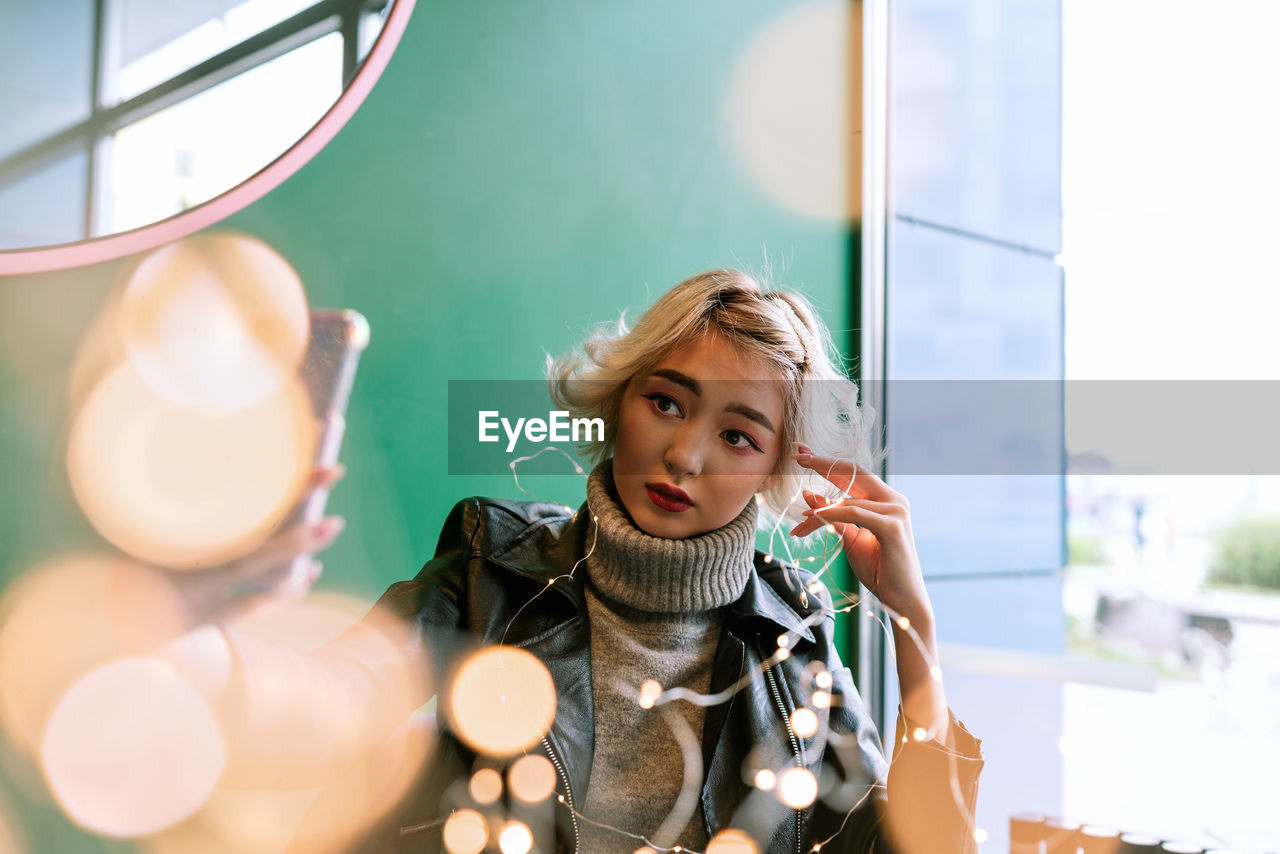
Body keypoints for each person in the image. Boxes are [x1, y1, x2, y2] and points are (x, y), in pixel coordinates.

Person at [199, 269, 983, 854]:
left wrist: (916, 632)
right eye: (666, 402)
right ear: (619, 400)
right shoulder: (489, 569)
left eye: (738, 435)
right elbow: (326, 706)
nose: (683, 453)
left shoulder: (795, 635)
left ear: (777, 466)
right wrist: (212, 621)